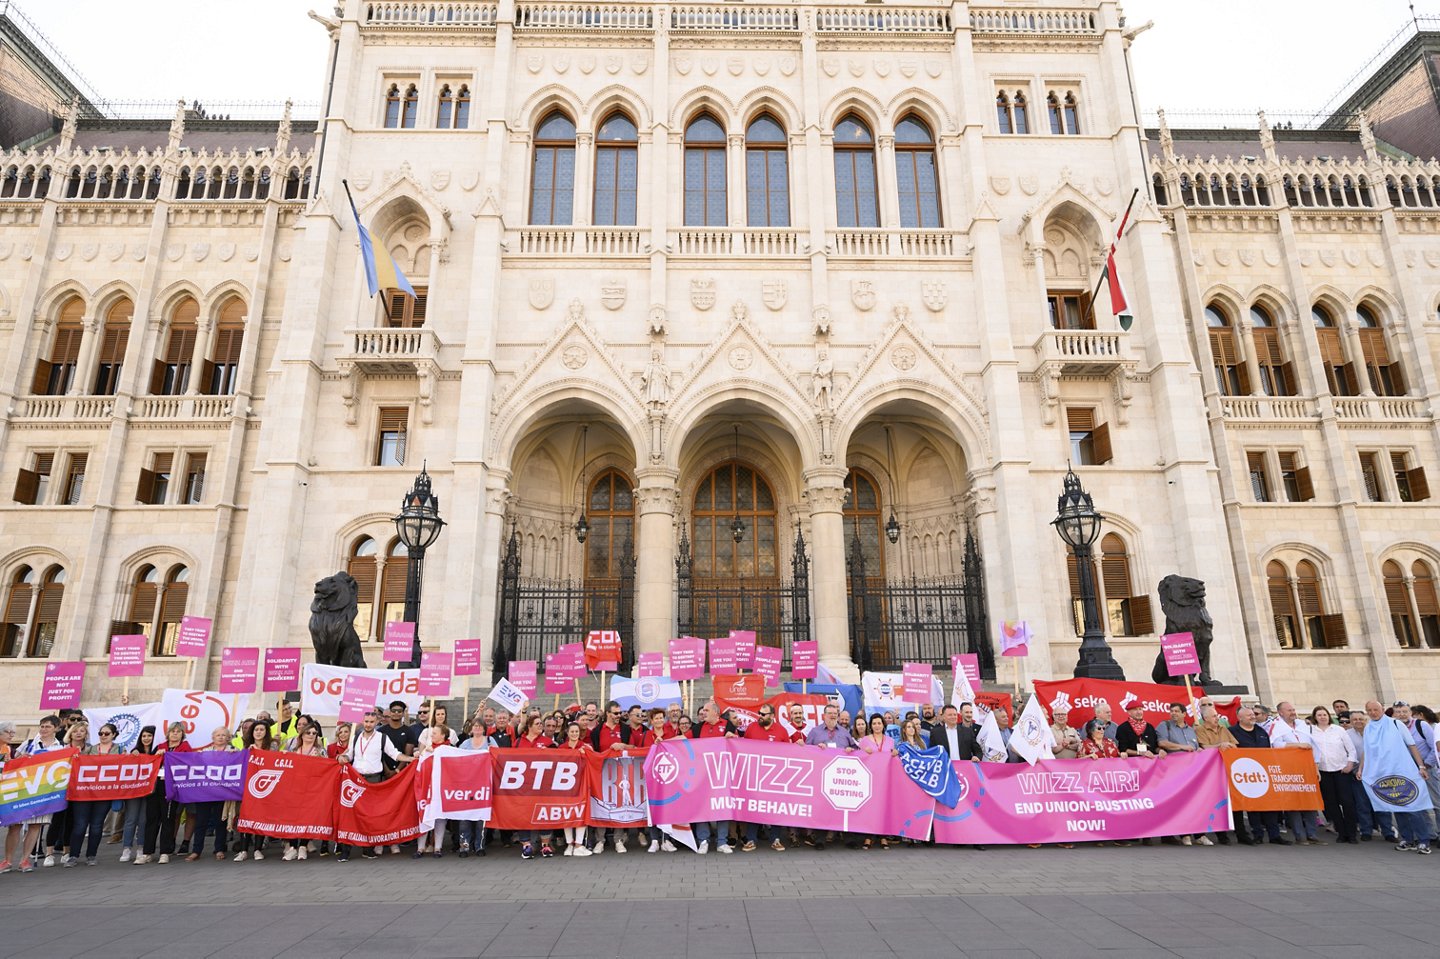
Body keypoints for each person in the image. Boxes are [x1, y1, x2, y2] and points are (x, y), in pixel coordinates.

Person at [337, 709, 411, 862]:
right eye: (366, 722)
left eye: (371, 722)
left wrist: (411, 759)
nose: (368, 725)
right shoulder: (356, 736)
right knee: (350, 814)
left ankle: (368, 848)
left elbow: (395, 754)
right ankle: (346, 849)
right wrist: (342, 757)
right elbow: (349, 754)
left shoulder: (382, 738)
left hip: (373, 780)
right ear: (362, 722)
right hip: (355, 779)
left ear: (377, 722)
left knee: (369, 814)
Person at [1360, 700, 1431, 854]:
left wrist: (1421, 766)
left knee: (1413, 806)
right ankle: (1407, 839)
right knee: (1397, 807)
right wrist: (1362, 768)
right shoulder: (1368, 728)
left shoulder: (1396, 724)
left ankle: (1424, 840)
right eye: (1369, 710)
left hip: (1403, 771)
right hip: (1384, 774)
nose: (1373, 712)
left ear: (1383, 709)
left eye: (1375, 709)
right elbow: (1367, 751)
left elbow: (1412, 745)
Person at [1230, 707, 1288, 845]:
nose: (1252, 717)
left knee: (1270, 805)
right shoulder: (1232, 732)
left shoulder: (1262, 732)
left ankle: (1274, 835)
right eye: (1249, 715)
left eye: (1253, 715)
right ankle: (1258, 834)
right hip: (1245, 775)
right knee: (1252, 806)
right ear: (1240, 718)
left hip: (1263, 773)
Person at [137, 722, 192, 864]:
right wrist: (157, 755)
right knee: (152, 819)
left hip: (171, 787)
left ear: (182, 734)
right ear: (168, 733)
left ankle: (165, 851)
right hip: (155, 786)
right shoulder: (160, 746)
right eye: (172, 731)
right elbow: (150, 763)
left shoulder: (185, 748)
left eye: (178, 732)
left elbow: (188, 764)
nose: (175, 734)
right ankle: (147, 852)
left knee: (168, 819)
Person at [1268, 701, 1322, 844]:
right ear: (1280, 712)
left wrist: (1316, 767)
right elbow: (1276, 745)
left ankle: (1312, 833)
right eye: (1289, 710)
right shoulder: (1276, 726)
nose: (1293, 712)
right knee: (1293, 803)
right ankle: (1300, 835)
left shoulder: (1303, 725)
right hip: (1288, 769)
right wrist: (1297, 745)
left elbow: (1314, 746)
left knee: (1309, 801)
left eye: (1293, 709)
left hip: (1306, 767)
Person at [740, 704, 791, 853]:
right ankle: (751, 839)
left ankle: (775, 839)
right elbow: (742, 747)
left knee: (775, 808)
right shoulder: (751, 728)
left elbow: (789, 753)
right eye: (759, 713)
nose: (760, 716)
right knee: (754, 806)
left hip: (775, 777)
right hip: (754, 776)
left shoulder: (781, 731)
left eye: (763, 714)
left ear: (772, 716)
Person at [64, 722, 113, 866]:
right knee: (80, 825)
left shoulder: (118, 750)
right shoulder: (89, 749)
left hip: (104, 793)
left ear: (113, 735)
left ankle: (91, 855)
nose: (103, 736)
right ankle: (73, 855)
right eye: (101, 733)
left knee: (97, 826)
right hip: (83, 792)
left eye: (106, 733)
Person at [1309, 706, 1358, 844]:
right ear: (1315, 717)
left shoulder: (1339, 730)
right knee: (1331, 804)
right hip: (1324, 771)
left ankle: (1352, 833)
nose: (1322, 717)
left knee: (1347, 802)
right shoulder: (1311, 731)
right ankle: (1341, 832)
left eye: (1324, 714)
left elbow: (1351, 750)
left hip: (1341, 770)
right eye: (1319, 715)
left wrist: (1350, 764)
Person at [1394, 700, 1440, 843]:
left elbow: (1434, 747)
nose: (1402, 714)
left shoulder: (1421, 725)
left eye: (1405, 711)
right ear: (1394, 714)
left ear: (1410, 713)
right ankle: (1430, 835)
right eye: (1398, 712)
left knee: (1437, 804)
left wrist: (1426, 765)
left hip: (1427, 770)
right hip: (1408, 773)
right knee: (1419, 805)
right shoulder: (1393, 728)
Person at [233, 721, 275, 861]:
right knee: (245, 817)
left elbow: (276, 762)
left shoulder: (272, 747)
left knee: (260, 817)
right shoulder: (246, 747)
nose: (258, 732)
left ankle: (257, 849)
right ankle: (244, 850)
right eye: (256, 729)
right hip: (248, 787)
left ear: (266, 732)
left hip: (265, 787)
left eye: (261, 729)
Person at [550, 721, 589, 858]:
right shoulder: (562, 747)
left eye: (576, 732)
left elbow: (593, 761)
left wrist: (586, 754)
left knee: (580, 813)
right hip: (565, 786)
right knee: (567, 813)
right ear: (567, 732)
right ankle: (570, 844)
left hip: (581, 785)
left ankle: (579, 844)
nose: (574, 734)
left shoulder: (584, 746)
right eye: (572, 731)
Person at [117, 725, 155, 863]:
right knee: (130, 819)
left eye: (149, 736)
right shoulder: (135, 751)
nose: (146, 738)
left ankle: (141, 848)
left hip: (150, 791)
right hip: (134, 790)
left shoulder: (157, 751)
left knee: (143, 820)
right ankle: (126, 848)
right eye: (144, 736)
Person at [414, 725, 452, 859]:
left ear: (443, 736)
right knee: (424, 816)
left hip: (441, 788)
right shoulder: (427, 750)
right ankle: (420, 848)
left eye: (435, 733)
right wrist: (422, 753)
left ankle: (438, 847)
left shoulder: (449, 750)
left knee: (440, 818)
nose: (432, 736)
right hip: (426, 788)